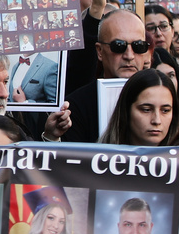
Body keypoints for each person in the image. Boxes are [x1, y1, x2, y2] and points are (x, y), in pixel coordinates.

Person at [61, 9, 152, 142]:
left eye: (138, 46)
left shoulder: (161, 98)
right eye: (119, 46)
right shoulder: (77, 107)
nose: (129, 56)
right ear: (100, 51)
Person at [99, 69, 179, 146]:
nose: (157, 121)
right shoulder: (95, 157)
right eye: (146, 110)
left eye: (165, 110)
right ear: (126, 111)